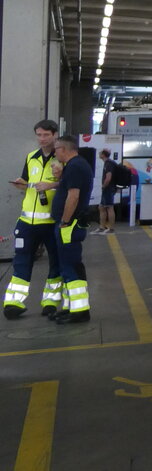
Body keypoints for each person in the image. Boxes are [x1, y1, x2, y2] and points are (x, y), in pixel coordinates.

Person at [3, 120, 64, 319]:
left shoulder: (63, 158)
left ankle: (50, 302)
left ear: (55, 135)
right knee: (21, 261)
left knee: (55, 262)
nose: (42, 139)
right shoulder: (31, 157)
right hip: (27, 222)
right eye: (38, 135)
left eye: (46, 135)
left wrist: (53, 184)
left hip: (52, 222)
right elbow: (27, 182)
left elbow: (72, 185)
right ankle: (13, 303)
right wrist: (22, 184)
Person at [43, 135, 94, 323]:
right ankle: (73, 306)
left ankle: (79, 311)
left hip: (69, 226)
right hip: (70, 225)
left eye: (56, 149)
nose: (55, 152)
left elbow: (73, 197)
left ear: (64, 149)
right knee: (69, 267)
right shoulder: (76, 166)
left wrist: (64, 221)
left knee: (70, 267)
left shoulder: (75, 167)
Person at [98, 148, 118, 234]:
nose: (99, 154)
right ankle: (102, 227)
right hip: (109, 188)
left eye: (100, 153)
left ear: (103, 154)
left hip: (108, 188)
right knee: (101, 207)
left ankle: (111, 228)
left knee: (109, 207)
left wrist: (103, 185)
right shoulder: (109, 163)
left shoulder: (108, 164)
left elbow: (108, 177)